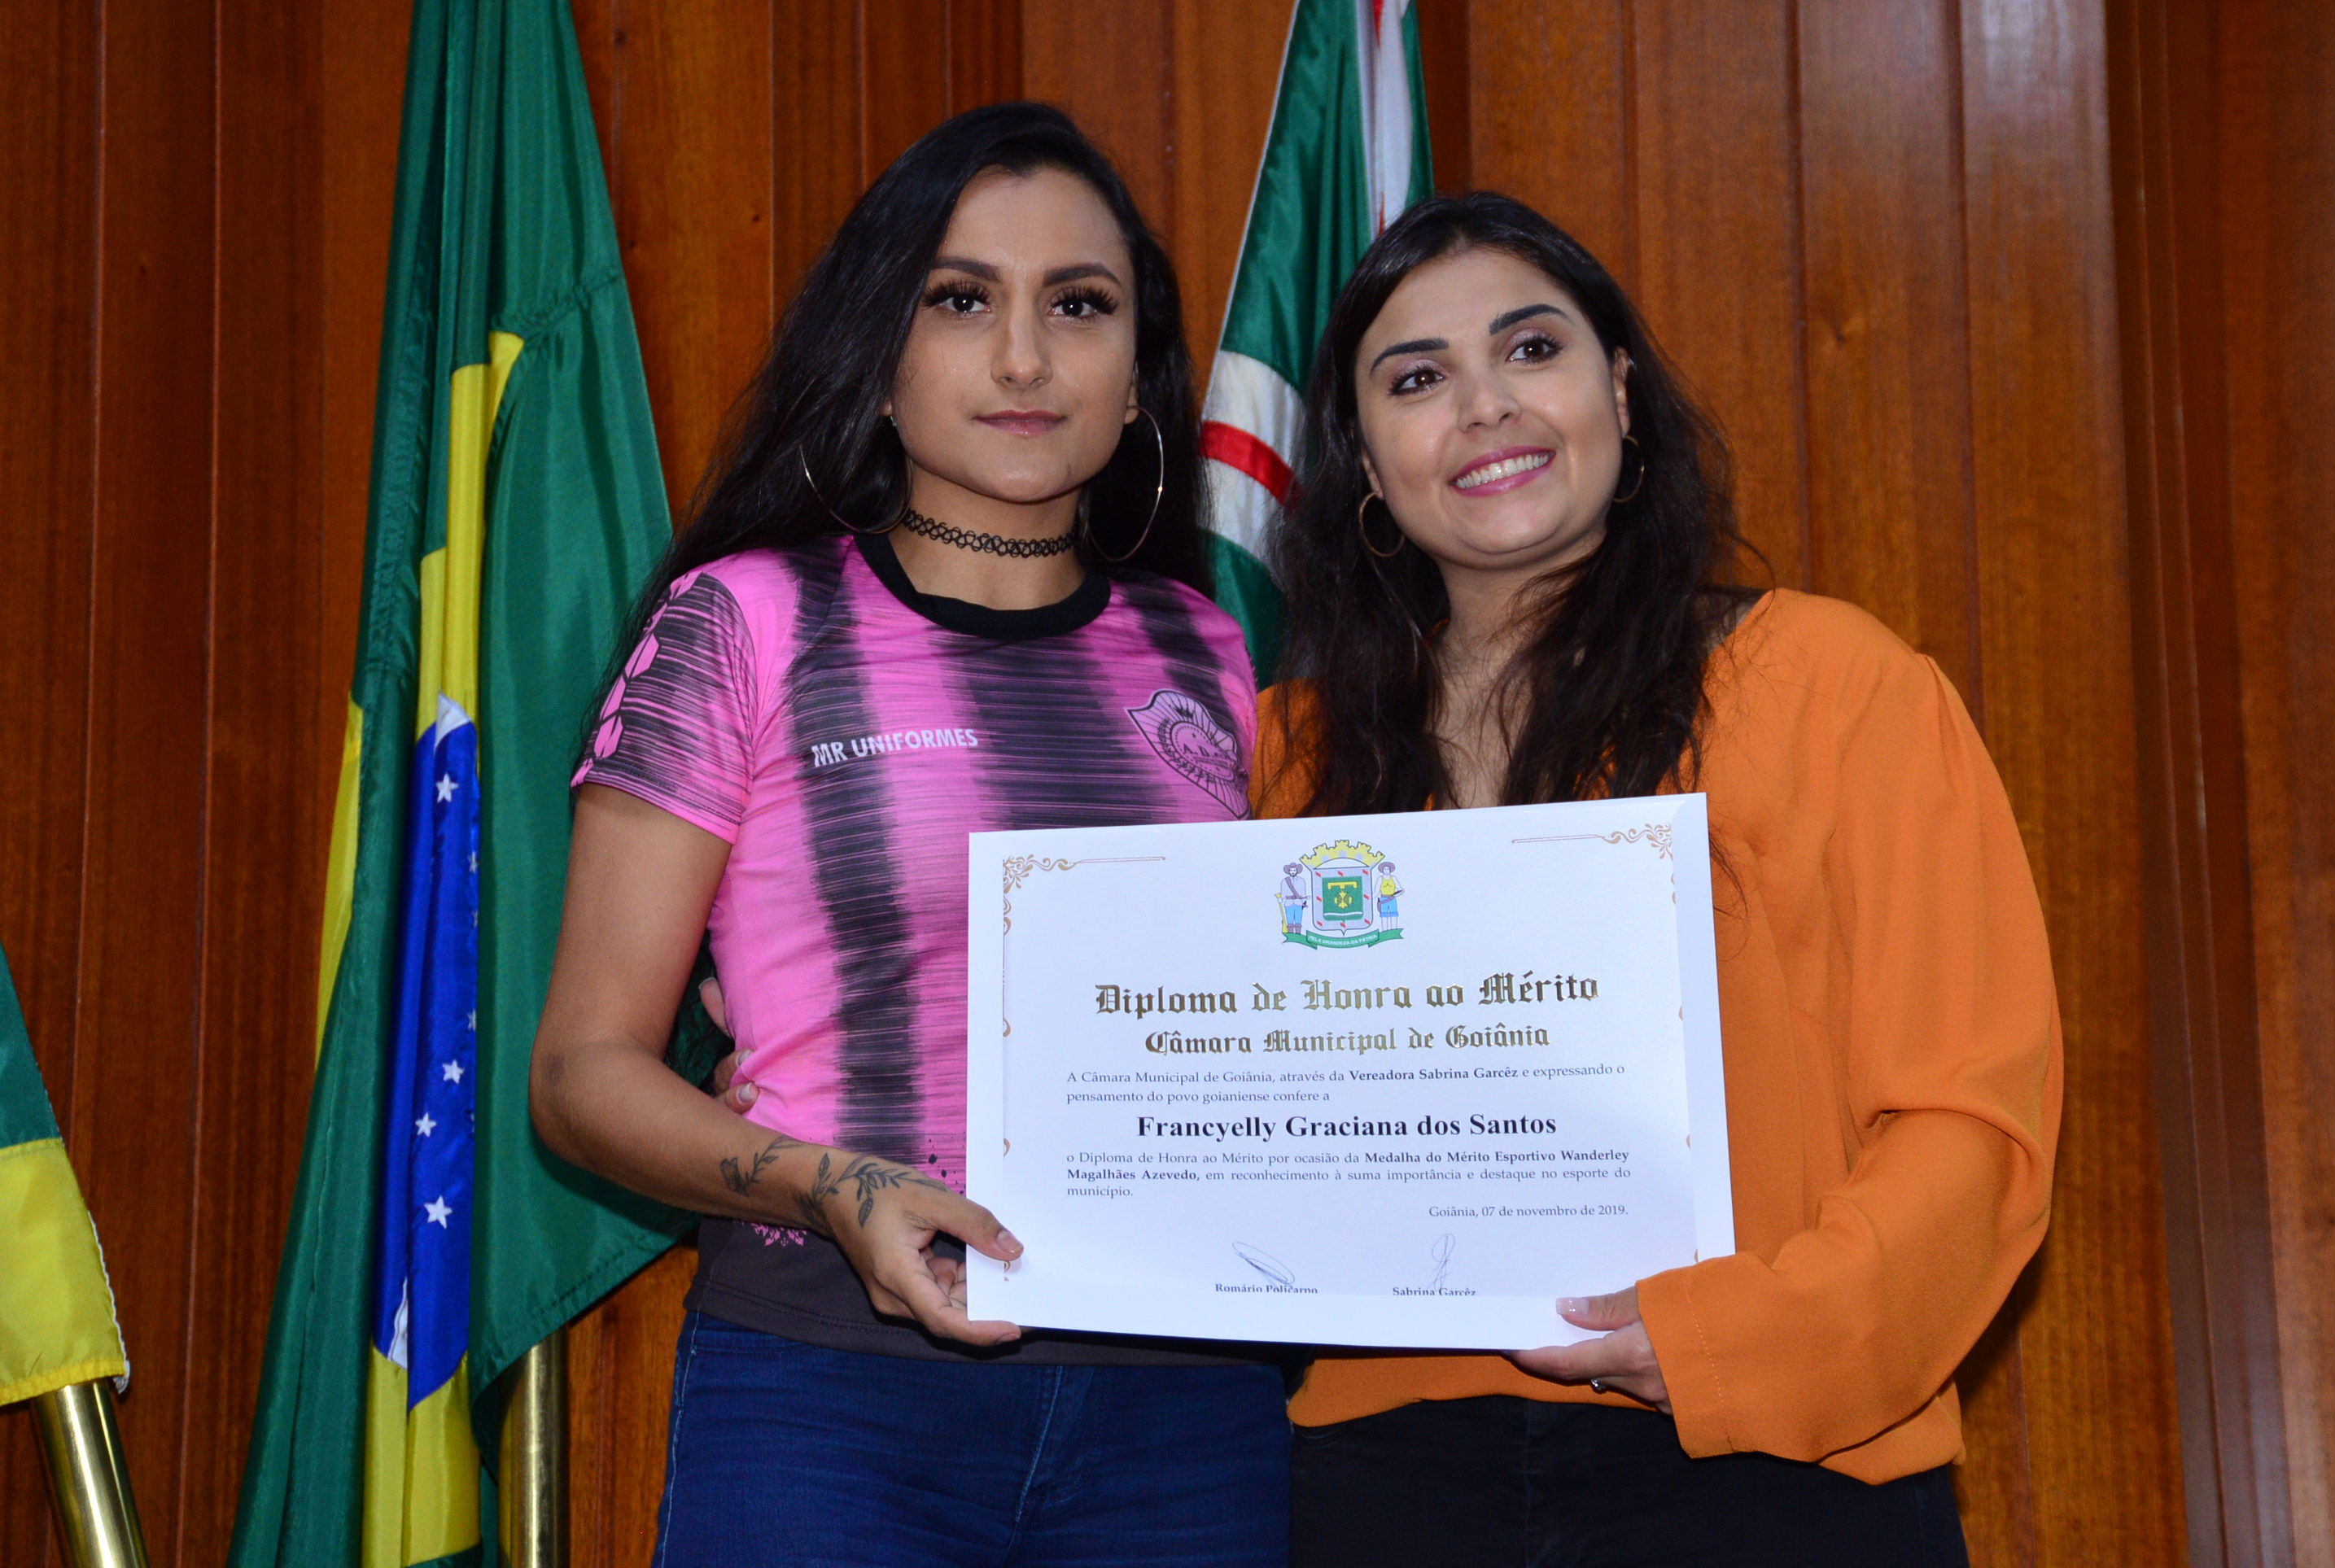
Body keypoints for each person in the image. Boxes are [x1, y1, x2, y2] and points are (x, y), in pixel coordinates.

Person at [528, 103, 1286, 1568]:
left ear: (1143, 379)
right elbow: (580, 1076)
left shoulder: (1206, 652)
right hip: (831, 1393)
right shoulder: (744, 623)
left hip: (1185, 1414)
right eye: (961, 300)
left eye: (1080, 305)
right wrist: (836, 1187)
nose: (1024, 358)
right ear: (879, 355)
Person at [1254, 191, 2060, 1566]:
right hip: (1374, 1473)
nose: (1486, 406)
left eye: (1532, 349)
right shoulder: (1280, 759)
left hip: (1769, 1458)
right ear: (1366, 466)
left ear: (1620, 396)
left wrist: (1740, 1339)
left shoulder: (1833, 684)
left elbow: (1970, 1120)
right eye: (1418, 380)